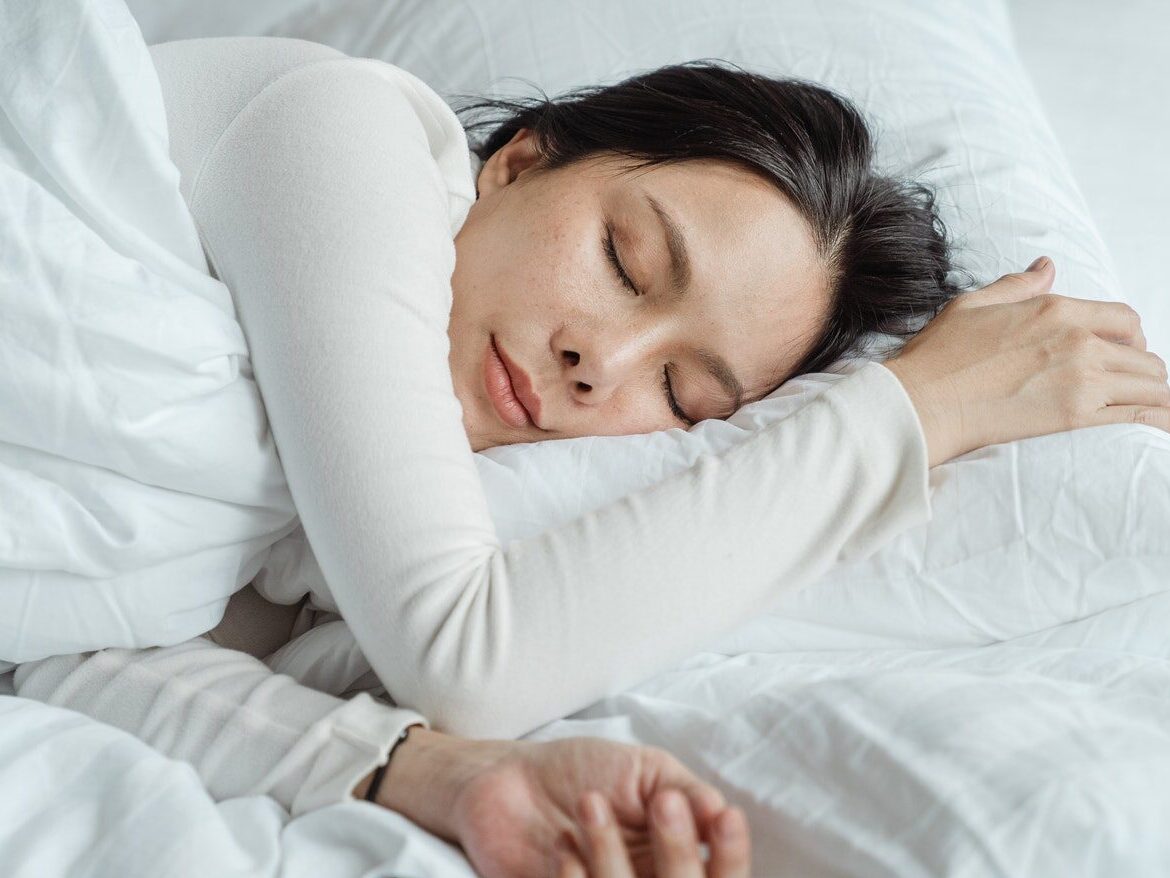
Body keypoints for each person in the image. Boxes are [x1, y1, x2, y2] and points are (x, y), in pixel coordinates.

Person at [14, 34, 1169, 878]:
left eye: (681, 390)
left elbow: (65, 661)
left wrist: (438, 774)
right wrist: (911, 413)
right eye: (624, 259)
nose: (597, 360)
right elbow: (468, 650)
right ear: (520, 162)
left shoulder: (290, 529)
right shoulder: (342, 131)